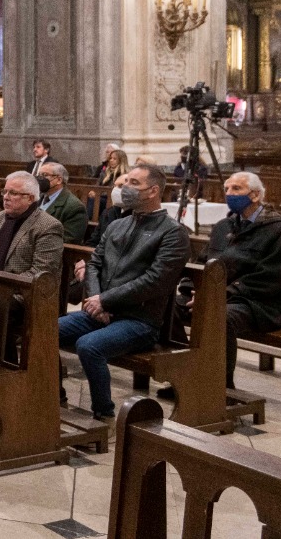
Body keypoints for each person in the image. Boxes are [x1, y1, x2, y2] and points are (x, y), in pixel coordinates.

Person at [59, 164, 188, 420]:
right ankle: (52, 395)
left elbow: (155, 281)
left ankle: (104, 415)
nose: (125, 188)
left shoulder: (172, 232)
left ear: (153, 191)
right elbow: (94, 263)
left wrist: (105, 300)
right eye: (125, 182)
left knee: (89, 346)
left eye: (133, 183)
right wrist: (97, 301)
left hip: (139, 321)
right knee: (44, 330)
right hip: (102, 311)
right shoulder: (118, 225)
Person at [171, 172, 281, 393]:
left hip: (260, 304)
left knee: (220, 316)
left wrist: (218, 296)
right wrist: (192, 290)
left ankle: (219, 389)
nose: (229, 194)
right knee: (168, 306)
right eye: (227, 189)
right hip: (214, 296)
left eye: (236, 189)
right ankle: (185, 375)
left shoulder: (280, 229)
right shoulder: (223, 227)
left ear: (256, 195)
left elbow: (272, 277)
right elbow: (202, 263)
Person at [0, 171, 64, 282]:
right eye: (5, 192)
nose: (6, 197)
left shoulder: (47, 226)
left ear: (30, 199)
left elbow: (40, 272)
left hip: (19, 294)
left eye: (13, 193)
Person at [38, 163, 88, 243]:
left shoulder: (75, 207)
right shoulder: (35, 198)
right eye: (39, 175)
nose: (40, 179)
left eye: (45, 175)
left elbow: (69, 239)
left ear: (59, 180)